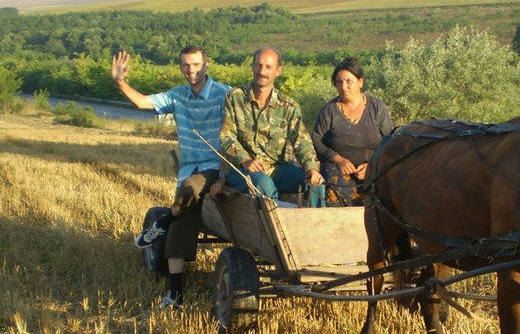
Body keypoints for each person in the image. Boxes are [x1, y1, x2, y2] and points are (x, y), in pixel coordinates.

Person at [112, 46, 230, 309]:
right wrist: (120, 81)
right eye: (186, 65)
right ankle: (175, 295)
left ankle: (162, 220)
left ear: (206, 66)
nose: (192, 70)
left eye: (197, 65)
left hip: (215, 165)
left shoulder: (225, 93)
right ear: (181, 67)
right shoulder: (177, 95)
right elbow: (142, 102)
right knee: (180, 229)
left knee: (188, 190)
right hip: (189, 167)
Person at [219, 47, 325, 205]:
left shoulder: (288, 106)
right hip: (242, 170)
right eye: (258, 65)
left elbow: (302, 141)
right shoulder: (235, 98)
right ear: (253, 67)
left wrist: (312, 169)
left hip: (277, 169)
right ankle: (277, 228)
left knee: (317, 184)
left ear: (278, 71)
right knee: (264, 184)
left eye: (268, 67)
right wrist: (245, 160)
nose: (262, 71)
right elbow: (226, 136)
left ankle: (317, 226)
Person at [311, 57, 393, 206]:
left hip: (373, 169)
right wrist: (338, 160)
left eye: (349, 81)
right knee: (332, 185)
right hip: (337, 170)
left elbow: (390, 141)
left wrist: (372, 165)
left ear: (360, 82)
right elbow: (316, 140)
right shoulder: (329, 110)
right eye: (339, 82)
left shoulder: (377, 108)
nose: (344, 86)